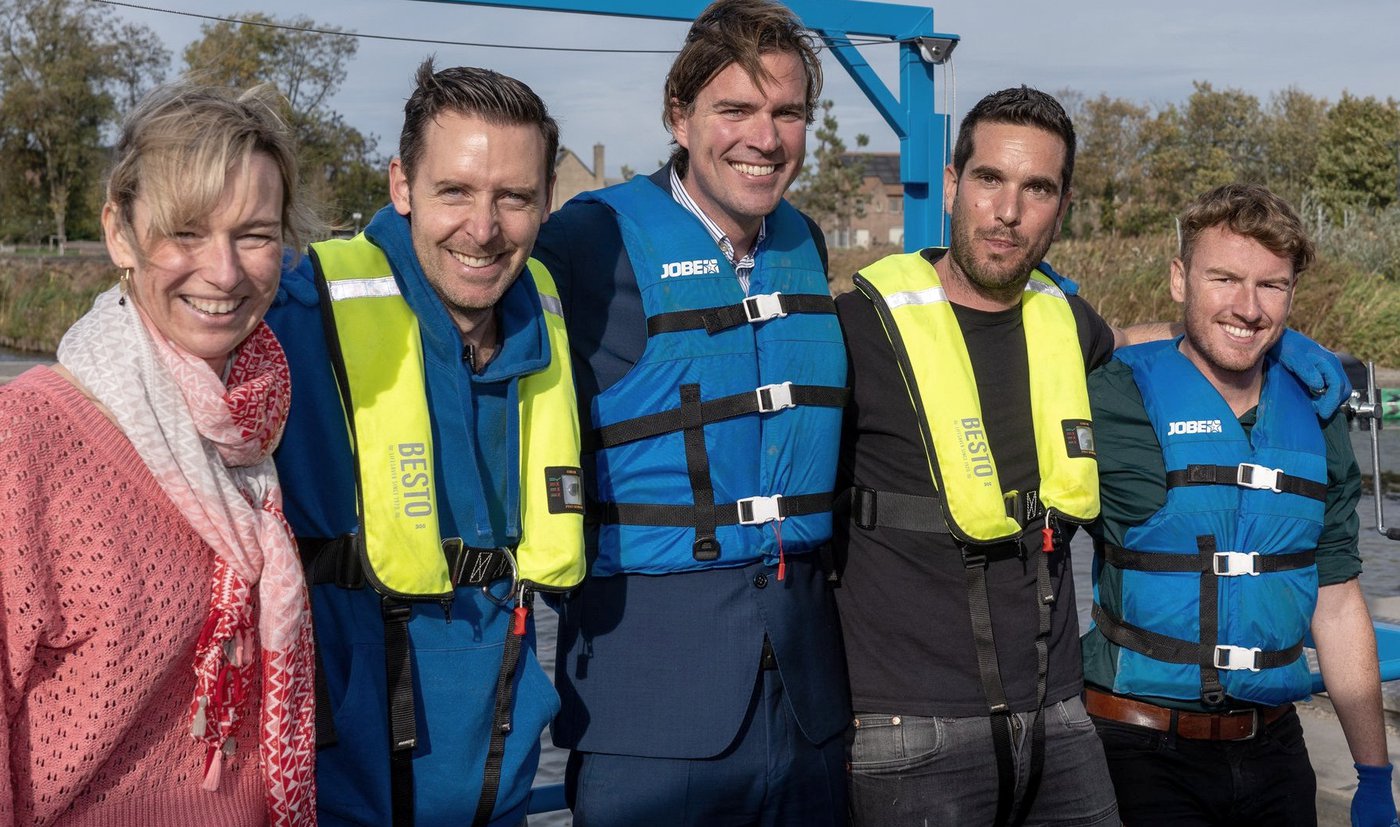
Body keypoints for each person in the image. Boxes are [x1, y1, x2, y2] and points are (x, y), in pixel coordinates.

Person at [530, 0, 849, 823]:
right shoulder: (586, 243)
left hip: (811, 703)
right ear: (679, 116)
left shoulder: (805, 243)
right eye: (735, 109)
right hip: (647, 707)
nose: (765, 137)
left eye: (787, 113)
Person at [266, 59, 585, 827]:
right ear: (401, 186)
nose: (483, 228)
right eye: (455, 191)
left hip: (495, 790)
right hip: (334, 797)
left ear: (545, 203)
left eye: (513, 197)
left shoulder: (551, 322)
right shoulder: (294, 309)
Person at [0, 83, 319, 825]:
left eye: (254, 234)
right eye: (185, 231)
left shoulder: (256, 423)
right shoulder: (25, 439)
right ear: (120, 232)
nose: (225, 272)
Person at [834, 85, 1125, 827]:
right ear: (955, 185)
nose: (1009, 210)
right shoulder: (856, 330)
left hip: (1060, 719)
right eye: (990, 179)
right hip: (906, 733)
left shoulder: (1073, 327)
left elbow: (1154, 362)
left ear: (1060, 208)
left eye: (1038, 189)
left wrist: (1279, 355)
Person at [1083, 183, 1399, 827]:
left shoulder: (1317, 409)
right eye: (1223, 278)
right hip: (1136, 749)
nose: (1248, 307)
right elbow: (1017, 331)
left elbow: (1336, 603)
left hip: (1276, 755)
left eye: (1272, 286)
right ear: (1179, 279)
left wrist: (1374, 776)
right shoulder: (1111, 393)